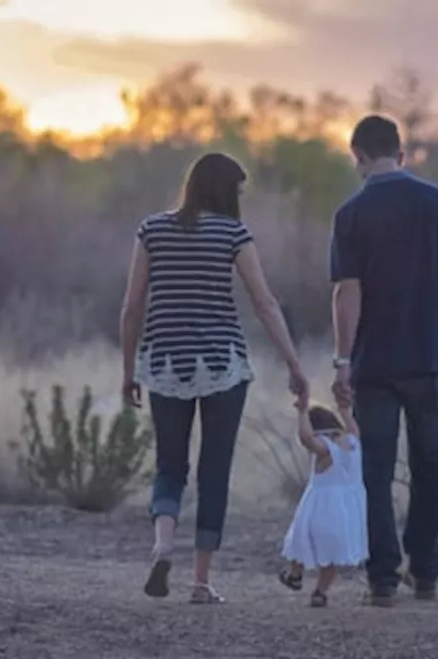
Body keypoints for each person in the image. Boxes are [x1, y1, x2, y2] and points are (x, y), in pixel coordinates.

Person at [119, 152, 309, 605]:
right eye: (239, 191)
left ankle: (164, 545)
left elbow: (131, 308)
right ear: (226, 191)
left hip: (164, 361)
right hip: (222, 364)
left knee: (169, 464)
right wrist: (294, 364)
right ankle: (201, 582)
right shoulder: (233, 234)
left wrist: (129, 370)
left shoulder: (152, 230)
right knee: (214, 470)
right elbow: (264, 304)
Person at [328, 115, 438, 607]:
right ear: (401, 152)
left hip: (375, 364)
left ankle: (381, 577)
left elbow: (346, 293)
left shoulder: (351, 212)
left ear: (357, 155)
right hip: (430, 358)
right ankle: (425, 571)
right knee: (430, 466)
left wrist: (341, 360)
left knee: (374, 471)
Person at [278, 397, 368, 608]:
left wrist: (301, 413)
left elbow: (306, 438)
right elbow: (353, 428)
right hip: (348, 512)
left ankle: (295, 573)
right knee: (331, 555)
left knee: (301, 539)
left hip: (321, 508)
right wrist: (345, 409)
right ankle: (320, 592)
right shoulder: (354, 442)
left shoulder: (325, 449)